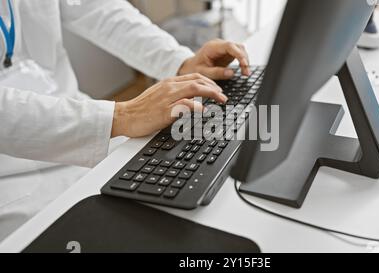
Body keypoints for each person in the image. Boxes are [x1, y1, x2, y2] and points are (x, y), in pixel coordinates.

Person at [0, 0, 250, 241]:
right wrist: (123, 116)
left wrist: (179, 61)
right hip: (11, 177)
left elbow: (95, 7)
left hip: (78, 120)